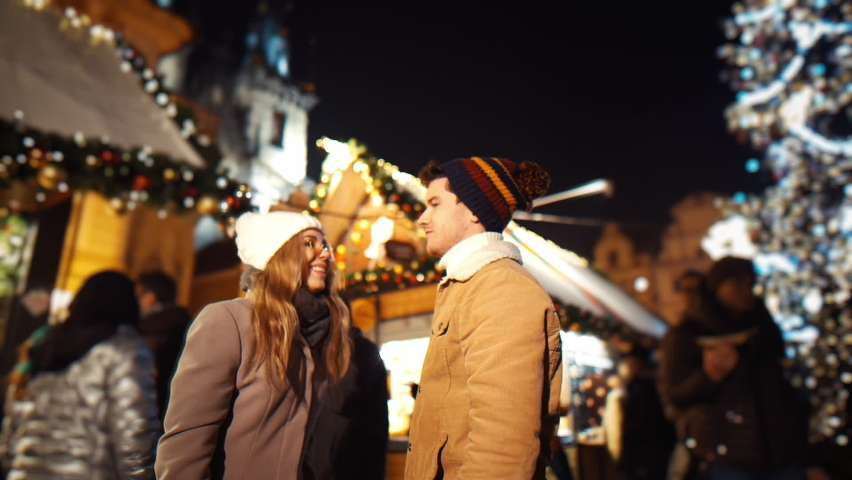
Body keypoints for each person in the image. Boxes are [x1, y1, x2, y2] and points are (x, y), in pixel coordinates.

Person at [156, 211, 351, 480]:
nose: (326, 254)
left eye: (325, 245)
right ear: (277, 253)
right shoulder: (228, 320)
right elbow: (186, 443)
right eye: (309, 243)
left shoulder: (318, 334)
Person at [404, 157, 563, 479]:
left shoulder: (501, 289)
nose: (422, 218)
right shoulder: (472, 284)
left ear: (474, 209)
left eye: (435, 204)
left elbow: (504, 445)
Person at [658, 257, 830, 480]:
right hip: (726, 460)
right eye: (736, 283)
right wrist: (710, 376)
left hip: (781, 457)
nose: (745, 291)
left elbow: (784, 398)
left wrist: (806, 458)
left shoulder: (763, 327)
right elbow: (675, 395)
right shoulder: (689, 334)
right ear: (717, 286)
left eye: (749, 283)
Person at [0, 271, 159, 479]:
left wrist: (11, 463)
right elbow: (134, 430)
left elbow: (15, 415)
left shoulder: (45, 342)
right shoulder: (125, 348)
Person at [304, 325, 389, 480]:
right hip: (333, 466)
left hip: (351, 468)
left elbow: (339, 398)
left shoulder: (359, 350)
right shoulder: (347, 351)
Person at [659, 269, 704, 480]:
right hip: (689, 429)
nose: (691, 295)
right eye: (686, 289)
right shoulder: (677, 335)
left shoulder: (717, 327)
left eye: (697, 289)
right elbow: (668, 384)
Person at [604, 349, 675, 480]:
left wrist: (625, 458)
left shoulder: (641, 388)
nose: (625, 367)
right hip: (651, 454)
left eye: (628, 363)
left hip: (644, 456)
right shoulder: (643, 385)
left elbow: (638, 425)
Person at [135, 270, 192, 424]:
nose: (136, 299)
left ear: (152, 296)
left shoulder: (149, 328)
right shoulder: (181, 324)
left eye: (139, 294)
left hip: (150, 407)